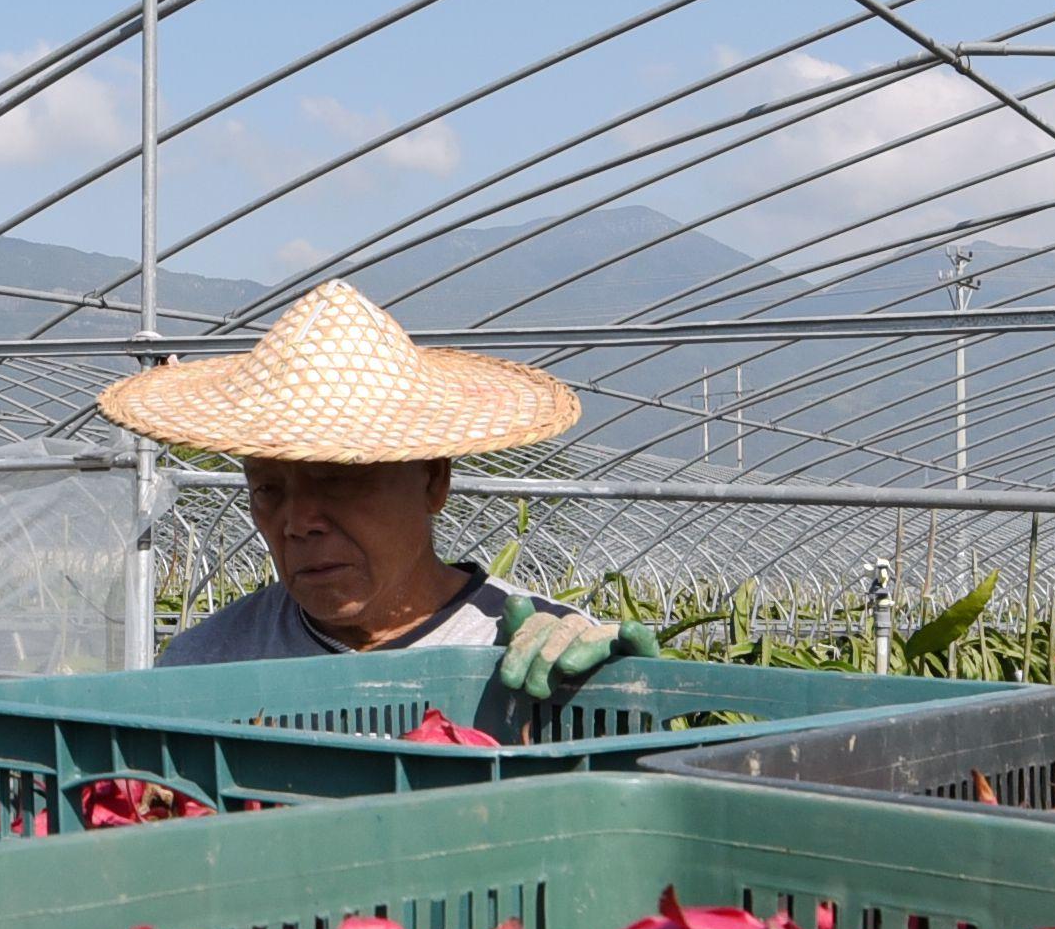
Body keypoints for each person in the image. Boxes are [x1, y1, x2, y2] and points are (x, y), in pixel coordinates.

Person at [99, 282, 653, 689]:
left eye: (337, 480)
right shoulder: (207, 667)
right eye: (268, 489)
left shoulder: (532, 656)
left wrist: (626, 692)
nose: (297, 523)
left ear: (434, 479)